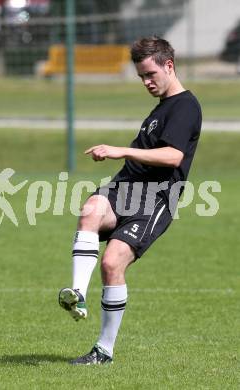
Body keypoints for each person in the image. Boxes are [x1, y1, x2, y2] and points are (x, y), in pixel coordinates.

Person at [58, 36, 202, 365]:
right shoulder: (161, 108)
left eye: (150, 74)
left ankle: (103, 351)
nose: (146, 82)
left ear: (169, 65)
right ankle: (78, 293)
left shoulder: (186, 106)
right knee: (91, 209)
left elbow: (173, 155)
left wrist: (120, 149)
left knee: (112, 264)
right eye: (141, 77)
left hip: (155, 198)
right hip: (126, 187)